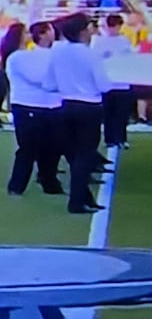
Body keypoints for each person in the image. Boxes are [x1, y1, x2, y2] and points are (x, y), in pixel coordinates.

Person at [47, 13, 111, 214]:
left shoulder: (58, 53)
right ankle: (77, 201)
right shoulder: (90, 54)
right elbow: (103, 84)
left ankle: (84, 197)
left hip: (66, 105)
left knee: (75, 155)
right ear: (83, 31)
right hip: (89, 106)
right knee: (85, 154)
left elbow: (48, 83)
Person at [1, 21, 63, 196]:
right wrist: (59, 83)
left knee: (51, 148)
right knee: (28, 148)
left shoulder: (45, 54)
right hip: (27, 106)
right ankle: (16, 185)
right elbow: (40, 79)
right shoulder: (17, 58)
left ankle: (49, 182)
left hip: (48, 106)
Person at [93, 13, 133, 149]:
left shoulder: (124, 41)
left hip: (122, 83)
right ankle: (110, 139)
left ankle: (121, 138)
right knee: (109, 113)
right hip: (107, 82)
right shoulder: (99, 41)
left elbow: (130, 59)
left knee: (121, 113)